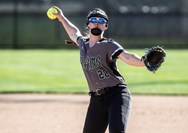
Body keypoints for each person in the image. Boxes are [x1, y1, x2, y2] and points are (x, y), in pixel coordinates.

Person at [52, 6, 145, 133]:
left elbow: (127, 57)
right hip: (96, 99)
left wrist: (144, 62)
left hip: (117, 95)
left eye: (101, 21)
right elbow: (74, 32)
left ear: (105, 26)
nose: (97, 23)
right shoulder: (83, 43)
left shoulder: (109, 45)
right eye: (93, 20)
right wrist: (62, 18)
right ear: (88, 24)